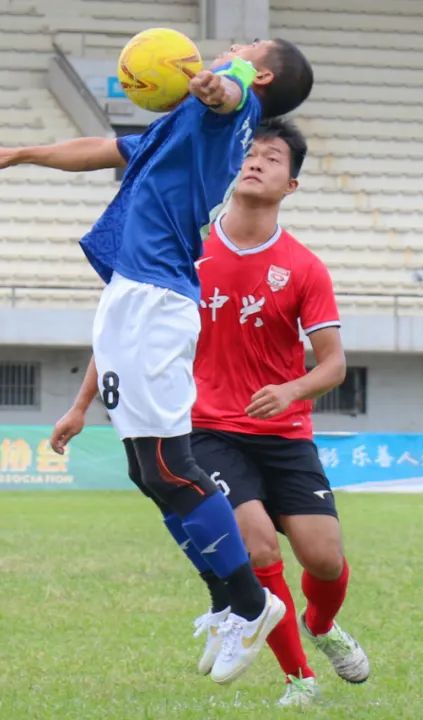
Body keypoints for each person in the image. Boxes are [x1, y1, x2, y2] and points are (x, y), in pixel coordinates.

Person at [0, 39, 314, 685]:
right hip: (135, 293)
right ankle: (225, 603)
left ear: (259, 71)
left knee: (168, 463)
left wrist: (216, 83)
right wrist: (24, 154)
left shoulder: (223, 107)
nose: (229, 50)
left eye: (244, 49)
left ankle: (253, 604)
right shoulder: (186, 123)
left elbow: (229, 91)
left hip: (157, 299)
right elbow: (104, 150)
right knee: (144, 469)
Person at [52, 118, 368, 707]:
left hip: (284, 432)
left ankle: (321, 628)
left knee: (324, 559)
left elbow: (333, 365)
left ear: (291, 186)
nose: (255, 163)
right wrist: (79, 405)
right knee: (256, 549)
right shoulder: (184, 247)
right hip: (208, 429)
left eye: (272, 159)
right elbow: (124, 331)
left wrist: (293, 390)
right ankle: (300, 678)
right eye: (249, 154)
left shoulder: (303, 268)